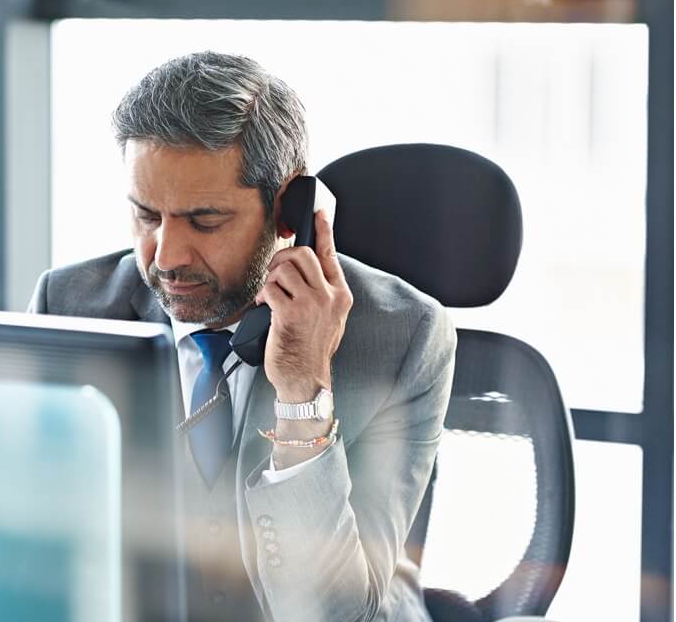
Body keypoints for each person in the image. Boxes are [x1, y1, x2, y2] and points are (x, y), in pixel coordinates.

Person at [28, 51, 456, 622]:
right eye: (147, 216)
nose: (168, 257)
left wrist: (304, 388)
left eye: (205, 221)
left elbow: (334, 614)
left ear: (288, 209)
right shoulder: (70, 305)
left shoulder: (404, 337)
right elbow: (28, 547)